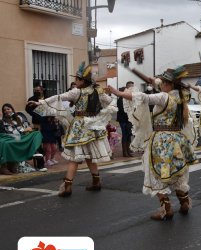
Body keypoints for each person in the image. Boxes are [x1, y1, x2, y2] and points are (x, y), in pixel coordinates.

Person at [108, 67, 196, 221]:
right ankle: (184, 203)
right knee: (178, 173)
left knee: (156, 174)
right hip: (178, 140)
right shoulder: (182, 96)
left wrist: (118, 93)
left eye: (162, 82)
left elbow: (142, 97)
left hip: (161, 141)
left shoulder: (164, 97)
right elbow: (152, 81)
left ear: (168, 84)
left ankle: (166, 209)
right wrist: (137, 71)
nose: (159, 83)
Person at [28, 63, 115, 196]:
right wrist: (102, 114)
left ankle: (68, 186)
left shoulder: (76, 92)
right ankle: (96, 182)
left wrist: (40, 102)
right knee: (90, 156)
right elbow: (111, 102)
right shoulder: (98, 91)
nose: (75, 81)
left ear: (82, 80)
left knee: (74, 158)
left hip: (79, 127)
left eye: (77, 79)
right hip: (93, 127)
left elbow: (59, 97)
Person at [0, 103, 43, 174]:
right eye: (4, 110)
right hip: (11, 137)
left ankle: (35, 151)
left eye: (8, 109)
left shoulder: (18, 118)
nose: (6, 111)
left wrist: (28, 129)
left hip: (21, 136)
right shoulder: (3, 121)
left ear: (12, 109)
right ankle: (7, 166)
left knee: (37, 133)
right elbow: (6, 132)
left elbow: (22, 129)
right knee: (6, 143)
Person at [117, 81, 135, 157]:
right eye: (130, 87)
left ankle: (128, 150)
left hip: (130, 119)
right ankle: (124, 152)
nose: (132, 88)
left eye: (133, 87)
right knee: (125, 134)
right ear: (127, 88)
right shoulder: (121, 98)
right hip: (123, 119)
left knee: (129, 134)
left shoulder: (133, 97)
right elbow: (122, 109)